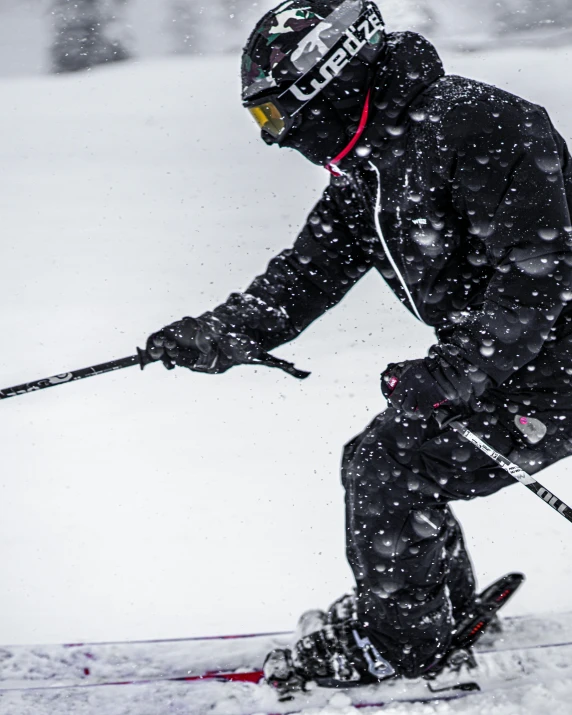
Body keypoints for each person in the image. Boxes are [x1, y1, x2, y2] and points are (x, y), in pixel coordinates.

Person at [147, 0, 572, 685]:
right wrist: (220, 333)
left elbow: (540, 272)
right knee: (388, 457)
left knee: (391, 464)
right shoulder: (375, 165)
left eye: (274, 114)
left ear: (327, 80)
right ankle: (431, 612)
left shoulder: (479, 125)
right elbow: (304, 275)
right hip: (511, 367)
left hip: (556, 368)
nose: (275, 136)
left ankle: (403, 649)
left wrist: (456, 372)